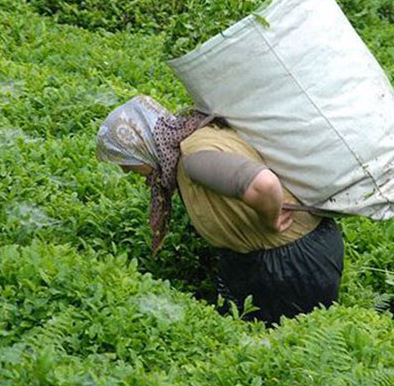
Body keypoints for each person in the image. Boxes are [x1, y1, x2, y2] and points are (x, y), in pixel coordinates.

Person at [96, 95, 344, 326]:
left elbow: (263, 184)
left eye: (126, 162)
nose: (126, 171)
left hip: (291, 263)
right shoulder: (189, 140)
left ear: (141, 145)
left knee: (287, 346)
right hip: (262, 258)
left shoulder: (194, 157)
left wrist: (270, 220)